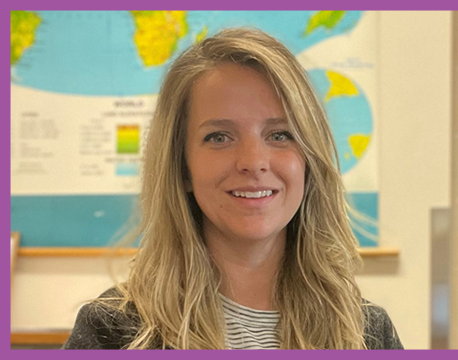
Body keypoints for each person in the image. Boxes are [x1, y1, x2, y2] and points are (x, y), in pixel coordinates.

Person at [63, 27, 403, 350]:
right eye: (219, 137)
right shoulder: (113, 331)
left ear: (309, 161)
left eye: (280, 135)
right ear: (181, 166)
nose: (253, 162)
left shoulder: (367, 332)